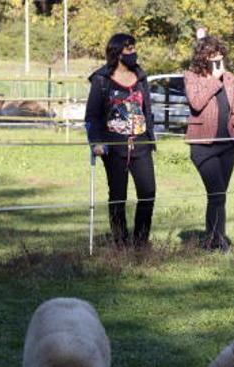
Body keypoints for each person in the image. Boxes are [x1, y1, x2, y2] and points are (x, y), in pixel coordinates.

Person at [85, 33, 156, 249]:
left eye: (134, 48)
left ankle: (141, 241)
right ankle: (120, 242)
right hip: (114, 147)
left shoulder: (141, 77)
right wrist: (96, 142)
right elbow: (93, 116)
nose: (132, 53)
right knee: (118, 195)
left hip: (141, 144)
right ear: (117, 53)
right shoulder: (102, 80)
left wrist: (150, 135)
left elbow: (147, 110)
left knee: (148, 192)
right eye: (128, 49)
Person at [184, 36, 234, 252]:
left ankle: (214, 241)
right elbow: (196, 102)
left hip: (228, 144)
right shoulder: (191, 77)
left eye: (220, 53)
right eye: (213, 54)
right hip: (203, 145)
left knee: (219, 197)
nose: (218, 58)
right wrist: (214, 79)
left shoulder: (229, 78)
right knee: (217, 193)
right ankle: (217, 241)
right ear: (204, 57)